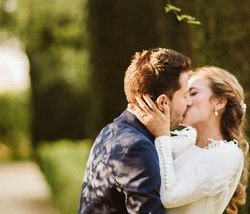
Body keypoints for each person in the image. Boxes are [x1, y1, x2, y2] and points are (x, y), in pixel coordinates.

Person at [78, 47, 192, 214]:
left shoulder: (112, 131)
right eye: (185, 95)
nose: (189, 103)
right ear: (162, 103)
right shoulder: (136, 148)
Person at [131, 66, 249, 214]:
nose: (186, 101)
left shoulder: (227, 155)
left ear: (219, 102)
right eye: (184, 94)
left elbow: (169, 197)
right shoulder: (184, 144)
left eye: (193, 93)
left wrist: (162, 135)